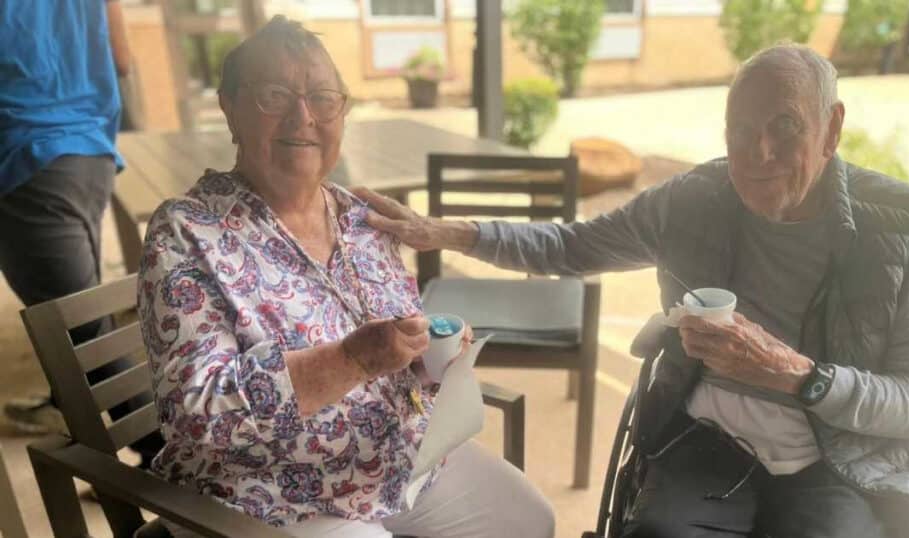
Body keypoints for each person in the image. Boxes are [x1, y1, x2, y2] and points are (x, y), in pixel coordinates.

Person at [358, 44, 909, 538]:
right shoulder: (694, 201)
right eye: (740, 129)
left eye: (785, 125)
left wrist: (798, 375)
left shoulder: (905, 230)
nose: (759, 152)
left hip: (843, 459)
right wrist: (443, 232)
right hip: (709, 439)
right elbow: (571, 246)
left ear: (831, 129)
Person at [137, 16, 553, 537]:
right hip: (268, 494)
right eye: (274, 96)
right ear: (230, 108)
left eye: (322, 97)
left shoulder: (361, 217)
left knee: (528, 520)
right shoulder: (187, 232)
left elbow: (397, 345)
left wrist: (427, 358)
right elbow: (196, 413)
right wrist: (350, 360)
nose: (303, 116)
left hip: (396, 460)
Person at [0, 0, 162, 465]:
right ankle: (64, 406)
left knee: (82, 335)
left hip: (28, 156)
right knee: (79, 317)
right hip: (87, 152)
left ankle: (170, 468)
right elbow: (123, 58)